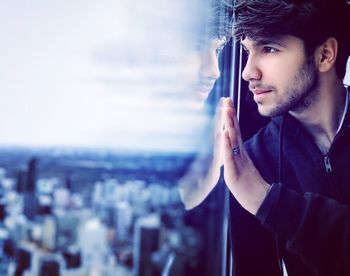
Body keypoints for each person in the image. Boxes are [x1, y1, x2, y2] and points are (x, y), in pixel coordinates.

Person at [180, 0, 350, 275]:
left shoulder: (253, 185)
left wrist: (269, 201)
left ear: (325, 55)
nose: (249, 72)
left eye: (269, 49)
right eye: (248, 51)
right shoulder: (252, 163)